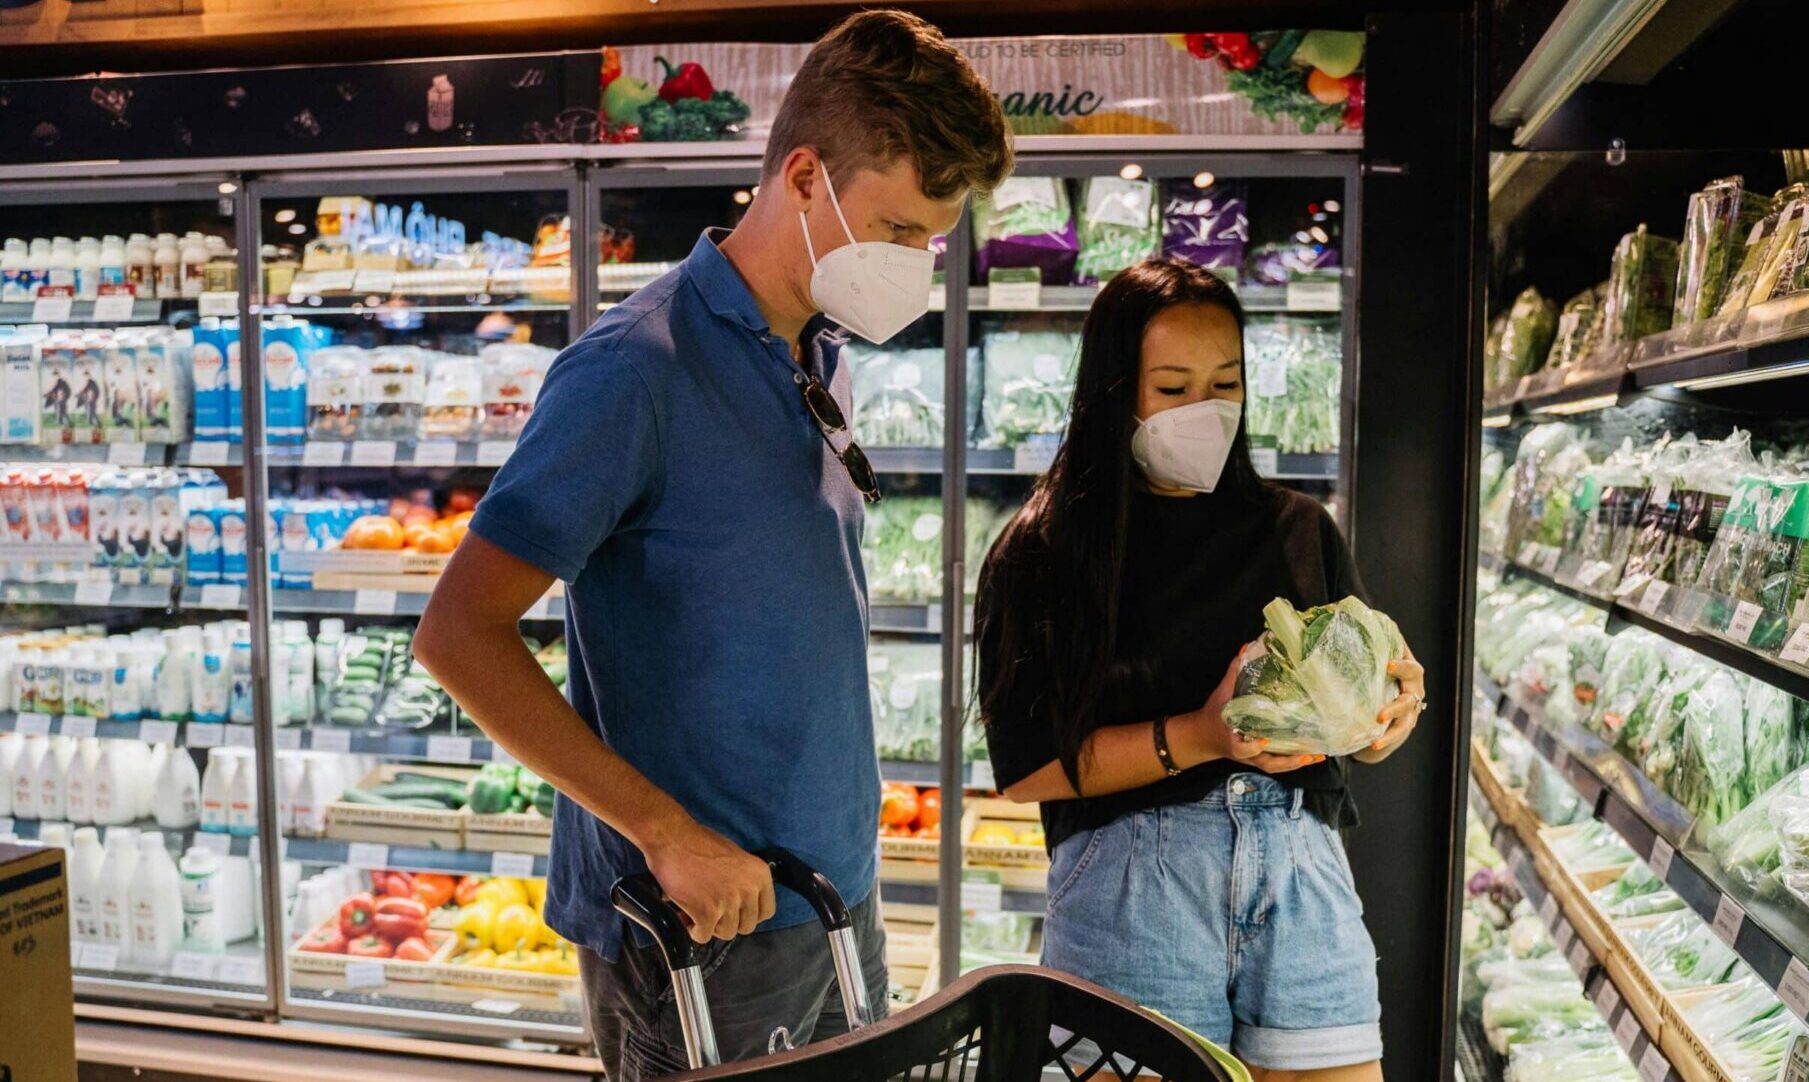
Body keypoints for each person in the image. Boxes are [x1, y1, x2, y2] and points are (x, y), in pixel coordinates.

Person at [414, 12, 1011, 1078]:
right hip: (701, 929)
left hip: (830, 902)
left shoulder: (813, 351)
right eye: (900, 229)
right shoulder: (633, 371)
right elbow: (460, 631)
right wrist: (664, 832)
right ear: (802, 177)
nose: (916, 262)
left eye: (932, 238)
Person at [973, 258, 1426, 1082]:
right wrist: (1203, 736)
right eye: (1174, 388)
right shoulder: (1042, 552)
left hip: (1302, 879)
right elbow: (1027, 767)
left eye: (1226, 384)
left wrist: (1387, 714)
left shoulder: (1300, 530)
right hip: (1132, 893)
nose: (1205, 412)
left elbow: (1364, 738)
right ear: (1116, 396)